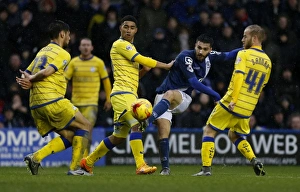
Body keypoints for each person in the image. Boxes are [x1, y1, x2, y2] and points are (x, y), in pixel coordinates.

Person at [78, 15, 174, 175]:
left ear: (136, 30)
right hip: (123, 94)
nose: (128, 30)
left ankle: (87, 162)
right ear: (120, 28)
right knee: (137, 123)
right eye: (126, 27)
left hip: (126, 93)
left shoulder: (130, 48)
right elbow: (141, 58)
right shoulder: (120, 44)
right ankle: (140, 164)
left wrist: (143, 70)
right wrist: (166, 66)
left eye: (132, 28)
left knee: (118, 137)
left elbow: (133, 77)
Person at [144, 34, 242, 175]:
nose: (201, 52)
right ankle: (165, 168)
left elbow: (228, 55)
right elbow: (195, 82)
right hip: (162, 99)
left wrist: (248, 49)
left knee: (170, 94)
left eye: (205, 49)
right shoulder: (185, 56)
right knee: (163, 133)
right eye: (199, 47)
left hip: (182, 97)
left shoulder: (211, 56)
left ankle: (147, 121)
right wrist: (215, 95)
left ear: (210, 50)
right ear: (195, 45)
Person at [193, 24, 272, 176]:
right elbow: (262, 85)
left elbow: (239, 76)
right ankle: (254, 160)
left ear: (254, 38)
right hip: (248, 107)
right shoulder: (267, 61)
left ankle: (206, 169)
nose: (242, 40)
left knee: (209, 130)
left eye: (245, 36)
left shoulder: (244, 54)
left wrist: (234, 99)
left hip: (233, 101)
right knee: (234, 135)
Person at [16, 20, 92, 176]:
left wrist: (29, 80)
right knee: (85, 126)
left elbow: (25, 73)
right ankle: (76, 168)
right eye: (69, 35)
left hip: (35, 105)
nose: (70, 38)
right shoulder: (63, 53)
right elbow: (46, 72)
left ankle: (36, 158)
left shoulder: (42, 52)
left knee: (70, 136)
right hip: (52, 100)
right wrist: (31, 79)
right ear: (62, 34)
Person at [64, 37, 112, 157]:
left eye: (88, 45)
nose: (85, 47)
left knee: (86, 132)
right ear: (80, 47)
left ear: (91, 48)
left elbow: (106, 81)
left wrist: (108, 99)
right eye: (83, 45)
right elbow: (64, 80)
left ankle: (84, 161)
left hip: (91, 104)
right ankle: (79, 161)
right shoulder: (74, 62)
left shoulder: (98, 63)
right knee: (76, 133)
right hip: (75, 104)